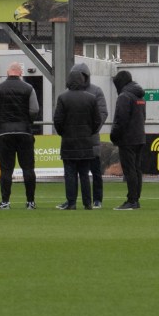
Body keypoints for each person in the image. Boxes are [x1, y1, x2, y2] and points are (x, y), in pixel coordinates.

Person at [0, 61, 39, 209]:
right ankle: (30, 202)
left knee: (6, 169)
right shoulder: (29, 88)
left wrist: (0, 125)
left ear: (8, 72)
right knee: (28, 168)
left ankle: (5, 202)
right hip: (24, 132)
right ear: (20, 73)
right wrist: (27, 123)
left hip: (4, 133)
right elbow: (34, 109)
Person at [53, 68, 103, 210]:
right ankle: (88, 203)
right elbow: (97, 120)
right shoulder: (91, 98)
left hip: (68, 142)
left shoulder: (63, 98)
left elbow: (57, 120)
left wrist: (63, 133)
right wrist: (89, 132)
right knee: (84, 174)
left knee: (70, 173)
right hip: (86, 142)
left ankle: (71, 202)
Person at [71, 62, 108, 208]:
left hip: (91, 139)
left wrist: (91, 130)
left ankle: (97, 199)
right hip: (73, 140)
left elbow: (102, 113)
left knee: (96, 171)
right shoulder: (68, 93)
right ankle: (71, 199)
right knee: (72, 173)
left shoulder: (96, 91)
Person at [110, 70, 146, 210]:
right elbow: (142, 117)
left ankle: (132, 200)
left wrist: (114, 135)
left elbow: (120, 119)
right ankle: (135, 199)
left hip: (127, 139)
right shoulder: (139, 96)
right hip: (139, 137)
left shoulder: (124, 96)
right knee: (136, 169)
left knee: (130, 170)